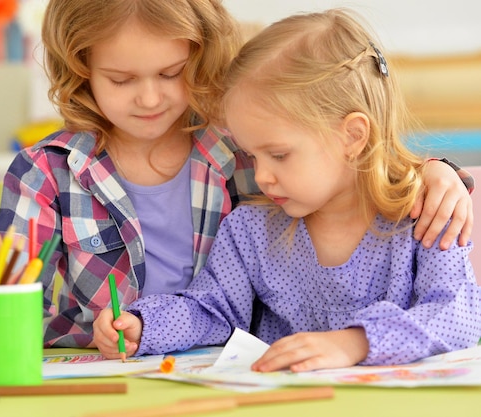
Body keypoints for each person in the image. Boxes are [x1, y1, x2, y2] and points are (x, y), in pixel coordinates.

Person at [0, 1, 473, 383]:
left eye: (171, 73)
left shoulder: (239, 150)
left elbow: (337, 160)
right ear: (82, 69)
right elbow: (5, 288)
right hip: (112, 374)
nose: (149, 98)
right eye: (121, 79)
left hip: (247, 380)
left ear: (199, 56)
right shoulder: (50, 172)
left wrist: (440, 172)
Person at [92, 8, 481, 372]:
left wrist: (355, 343)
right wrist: (145, 326)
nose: (261, 176)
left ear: (352, 136)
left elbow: (456, 316)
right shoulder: (250, 231)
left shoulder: (426, 218)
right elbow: (211, 310)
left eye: (278, 154)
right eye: (252, 155)